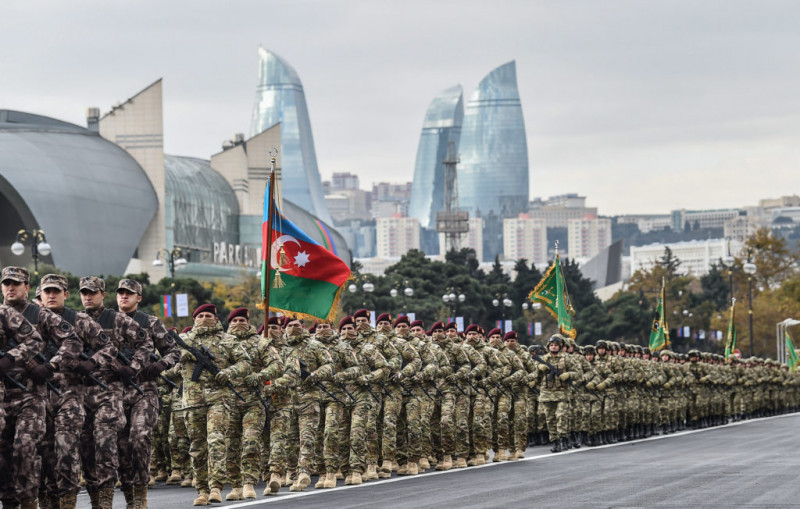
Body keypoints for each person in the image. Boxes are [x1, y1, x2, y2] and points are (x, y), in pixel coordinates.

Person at [0, 267, 82, 509]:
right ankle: (9, 502)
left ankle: (29, 501)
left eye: (16, 284)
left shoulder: (41, 315)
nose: (10, 288)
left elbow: (73, 341)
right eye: (6, 284)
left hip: (30, 395)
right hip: (2, 394)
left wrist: (50, 366)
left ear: (27, 287)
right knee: (3, 456)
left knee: (25, 449)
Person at [37, 274, 117, 509]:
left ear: (66, 294)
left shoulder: (80, 320)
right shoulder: (27, 320)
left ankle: (69, 503)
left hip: (70, 393)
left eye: (56, 291)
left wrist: (91, 363)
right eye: (47, 291)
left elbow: (109, 347)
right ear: (40, 294)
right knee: (43, 454)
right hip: (38, 394)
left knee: (67, 449)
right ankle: (48, 502)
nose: (51, 295)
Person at [79, 276, 152, 509]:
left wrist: (133, 368)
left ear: (103, 294)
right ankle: (95, 501)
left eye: (92, 292)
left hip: (110, 390)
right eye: (84, 293)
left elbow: (145, 343)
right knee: (86, 450)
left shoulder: (118, 319)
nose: (88, 297)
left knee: (107, 447)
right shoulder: (73, 320)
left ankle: (116, 500)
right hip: (79, 391)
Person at [114, 278, 180, 507]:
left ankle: (141, 494)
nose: (124, 296)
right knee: (121, 446)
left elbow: (173, 351)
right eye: (121, 293)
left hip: (144, 390)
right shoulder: (107, 321)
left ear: (138, 298)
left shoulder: (150, 322)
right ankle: (130, 496)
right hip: (114, 391)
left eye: (129, 293)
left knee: (139, 438)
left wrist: (161, 365)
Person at [177, 303, 251, 505]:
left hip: (219, 398)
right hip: (192, 401)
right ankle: (201, 489)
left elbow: (244, 363)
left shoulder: (228, 340)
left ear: (217, 319)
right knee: (197, 447)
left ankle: (215, 487)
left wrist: (227, 373)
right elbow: (170, 355)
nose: (204, 318)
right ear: (193, 319)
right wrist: (184, 353)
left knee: (216, 441)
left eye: (208, 315)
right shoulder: (185, 339)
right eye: (200, 315)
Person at [225, 307, 281, 500]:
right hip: (226, 402)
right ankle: (235, 486)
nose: (238, 324)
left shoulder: (260, 343)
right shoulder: (222, 343)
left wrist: (260, 376)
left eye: (242, 320)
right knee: (230, 446)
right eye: (234, 321)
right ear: (228, 323)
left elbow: (277, 365)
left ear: (248, 323)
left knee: (250, 442)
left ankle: (249, 483)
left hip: (253, 401)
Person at [537, 334, 581, 453]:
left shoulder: (566, 358)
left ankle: (563, 439)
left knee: (561, 416)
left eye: (556, 345)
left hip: (562, 393)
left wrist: (569, 375)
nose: (554, 347)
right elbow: (534, 375)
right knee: (550, 419)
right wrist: (539, 369)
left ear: (560, 346)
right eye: (551, 345)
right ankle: (555, 441)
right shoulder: (544, 359)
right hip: (546, 394)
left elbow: (578, 373)